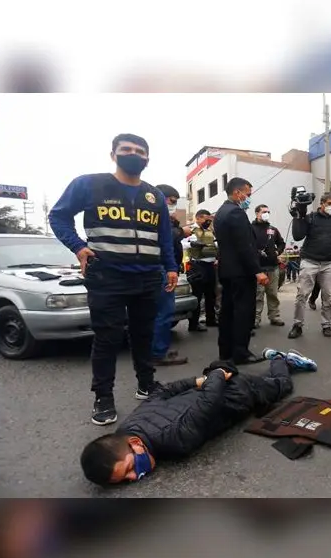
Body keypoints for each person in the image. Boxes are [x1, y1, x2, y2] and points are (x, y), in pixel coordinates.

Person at [49, 133, 178, 426]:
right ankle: (103, 397)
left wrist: (171, 267)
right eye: (126, 149)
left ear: (147, 159)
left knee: (143, 335)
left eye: (140, 151)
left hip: (147, 278)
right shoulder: (89, 184)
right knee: (107, 340)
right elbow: (58, 217)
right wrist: (79, 247)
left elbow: (164, 237)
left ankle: (146, 384)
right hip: (107, 277)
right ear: (113, 155)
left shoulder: (154, 195)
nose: (134, 154)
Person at [79, 350, 318, 486]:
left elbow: (208, 402)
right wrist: (198, 381)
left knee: (282, 385)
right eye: (125, 479)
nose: (134, 477)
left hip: (235, 394)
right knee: (265, 382)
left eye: (130, 468)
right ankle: (275, 363)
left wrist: (214, 376)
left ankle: (281, 359)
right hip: (215, 386)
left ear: (135, 444)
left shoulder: (175, 441)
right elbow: (162, 392)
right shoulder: (127, 428)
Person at [213, 177, 268, 364]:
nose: (248, 198)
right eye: (248, 194)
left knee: (228, 312)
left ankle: (226, 351)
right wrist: (257, 271)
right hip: (241, 272)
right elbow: (244, 246)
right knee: (243, 313)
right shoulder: (236, 213)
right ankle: (240, 352)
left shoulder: (221, 212)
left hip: (227, 271)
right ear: (238, 193)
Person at [289, 192, 331, 339]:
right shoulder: (311, 217)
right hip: (309, 261)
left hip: (328, 263)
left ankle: (326, 325)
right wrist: (298, 217)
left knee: (328, 297)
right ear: (321, 203)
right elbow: (297, 236)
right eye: (329, 203)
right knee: (302, 294)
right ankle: (297, 325)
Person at [150, 184, 189, 366]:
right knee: (163, 312)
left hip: (163, 268)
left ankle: (159, 349)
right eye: (172, 201)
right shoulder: (155, 215)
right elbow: (164, 239)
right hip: (161, 269)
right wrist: (181, 232)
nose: (173, 205)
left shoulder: (162, 216)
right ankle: (158, 353)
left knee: (160, 313)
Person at [251, 204, 286, 328]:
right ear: (257, 213)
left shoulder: (273, 229)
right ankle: (255, 318)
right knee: (257, 295)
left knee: (273, 294)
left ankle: (274, 316)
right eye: (264, 211)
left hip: (273, 267)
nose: (266, 213)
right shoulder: (250, 228)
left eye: (268, 211)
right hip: (258, 268)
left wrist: (277, 252)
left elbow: (281, 243)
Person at [185, 208, 218, 332]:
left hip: (210, 266)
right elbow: (181, 243)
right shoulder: (190, 230)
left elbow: (215, 244)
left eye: (209, 220)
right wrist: (191, 244)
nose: (208, 222)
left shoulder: (210, 231)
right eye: (206, 219)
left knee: (211, 294)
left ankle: (211, 319)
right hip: (197, 266)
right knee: (197, 295)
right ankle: (193, 324)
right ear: (198, 218)